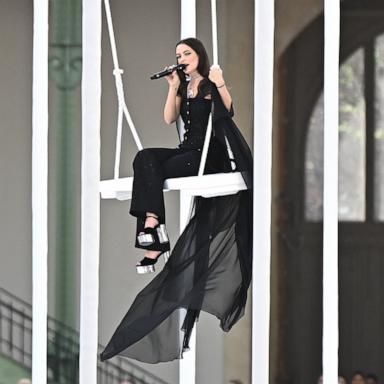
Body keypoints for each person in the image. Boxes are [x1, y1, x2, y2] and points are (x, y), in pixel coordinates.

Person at [101, 37, 253, 363]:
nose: (182, 58)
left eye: (186, 53)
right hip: (187, 152)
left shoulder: (210, 84)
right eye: (178, 55)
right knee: (145, 159)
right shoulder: (184, 85)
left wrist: (221, 82)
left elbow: (228, 111)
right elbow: (170, 119)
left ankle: (154, 232)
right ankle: (153, 224)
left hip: (205, 157)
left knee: (151, 167)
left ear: (198, 55)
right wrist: (172, 86)